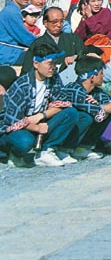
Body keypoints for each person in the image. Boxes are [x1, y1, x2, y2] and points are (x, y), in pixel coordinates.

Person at [0, 38, 80, 167]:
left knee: (71, 113)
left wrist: (42, 116)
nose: (53, 67)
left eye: (55, 63)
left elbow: (63, 102)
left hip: (38, 120)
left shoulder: (53, 79)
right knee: (25, 142)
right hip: (14, 128)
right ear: (36, 64)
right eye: (49, 63)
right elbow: (12, 120)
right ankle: (14, 154)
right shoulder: (22, 85)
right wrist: (36, 127)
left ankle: (46, 151)